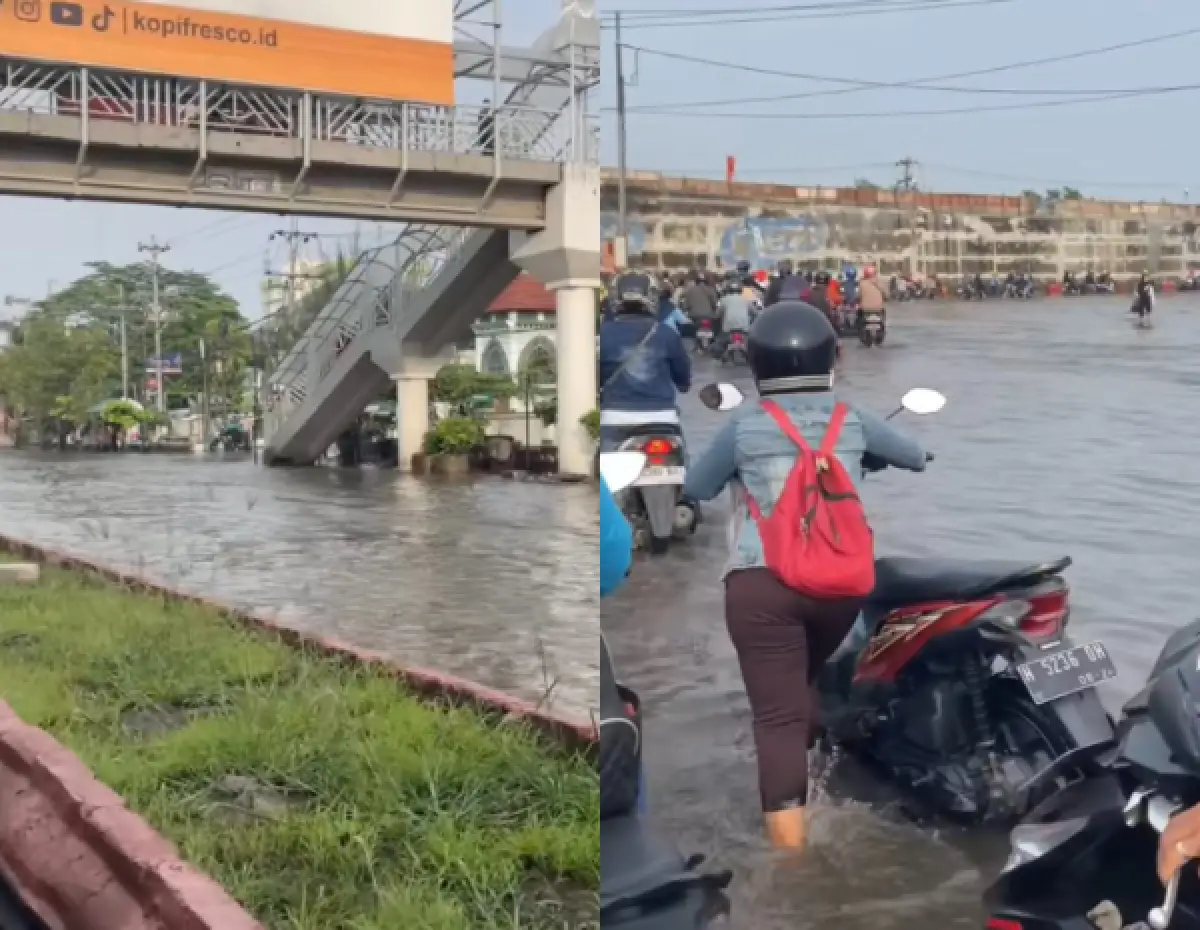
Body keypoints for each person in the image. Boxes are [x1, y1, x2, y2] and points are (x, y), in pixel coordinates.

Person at [679, 300, 928, 851]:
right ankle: (817, 789)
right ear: (830, 358)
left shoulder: (745, 425)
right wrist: (865, 457)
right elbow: (915, 456)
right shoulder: (852, 418)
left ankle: (790, 865)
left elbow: (696, 488)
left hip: (762, 587)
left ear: (757, 363)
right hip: (840, 590)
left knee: (777, 717)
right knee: (803, 685)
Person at [599, 271, 692, 448]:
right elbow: (683, 379)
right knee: (678, 461)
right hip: (662, 419)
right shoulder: (667, 334)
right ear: (652, 297)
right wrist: (683, 384)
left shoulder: (602, 334)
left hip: (614, 419)